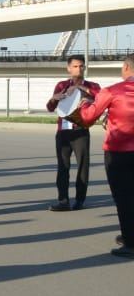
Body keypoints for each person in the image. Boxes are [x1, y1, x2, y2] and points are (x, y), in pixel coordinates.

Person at [76, 53, 134, 258]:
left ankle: (130, 242)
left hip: (118, 152)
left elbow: (87, 118)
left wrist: (84, 103)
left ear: (126, 67)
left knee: (124, 197)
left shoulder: (112, 91)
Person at [46, 55, 100, 211]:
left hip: (81, 131)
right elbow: (50, 107)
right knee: (63, 167)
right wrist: (54, 98)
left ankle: (80, 200)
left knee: (83, 166)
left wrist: (84, 92)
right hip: (63, 132)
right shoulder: (62, 85)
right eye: (75, 66)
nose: (79, 69)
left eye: (81, 66)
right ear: (69, 68)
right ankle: (63, 201)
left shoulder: (92, 86)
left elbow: (101, 99)